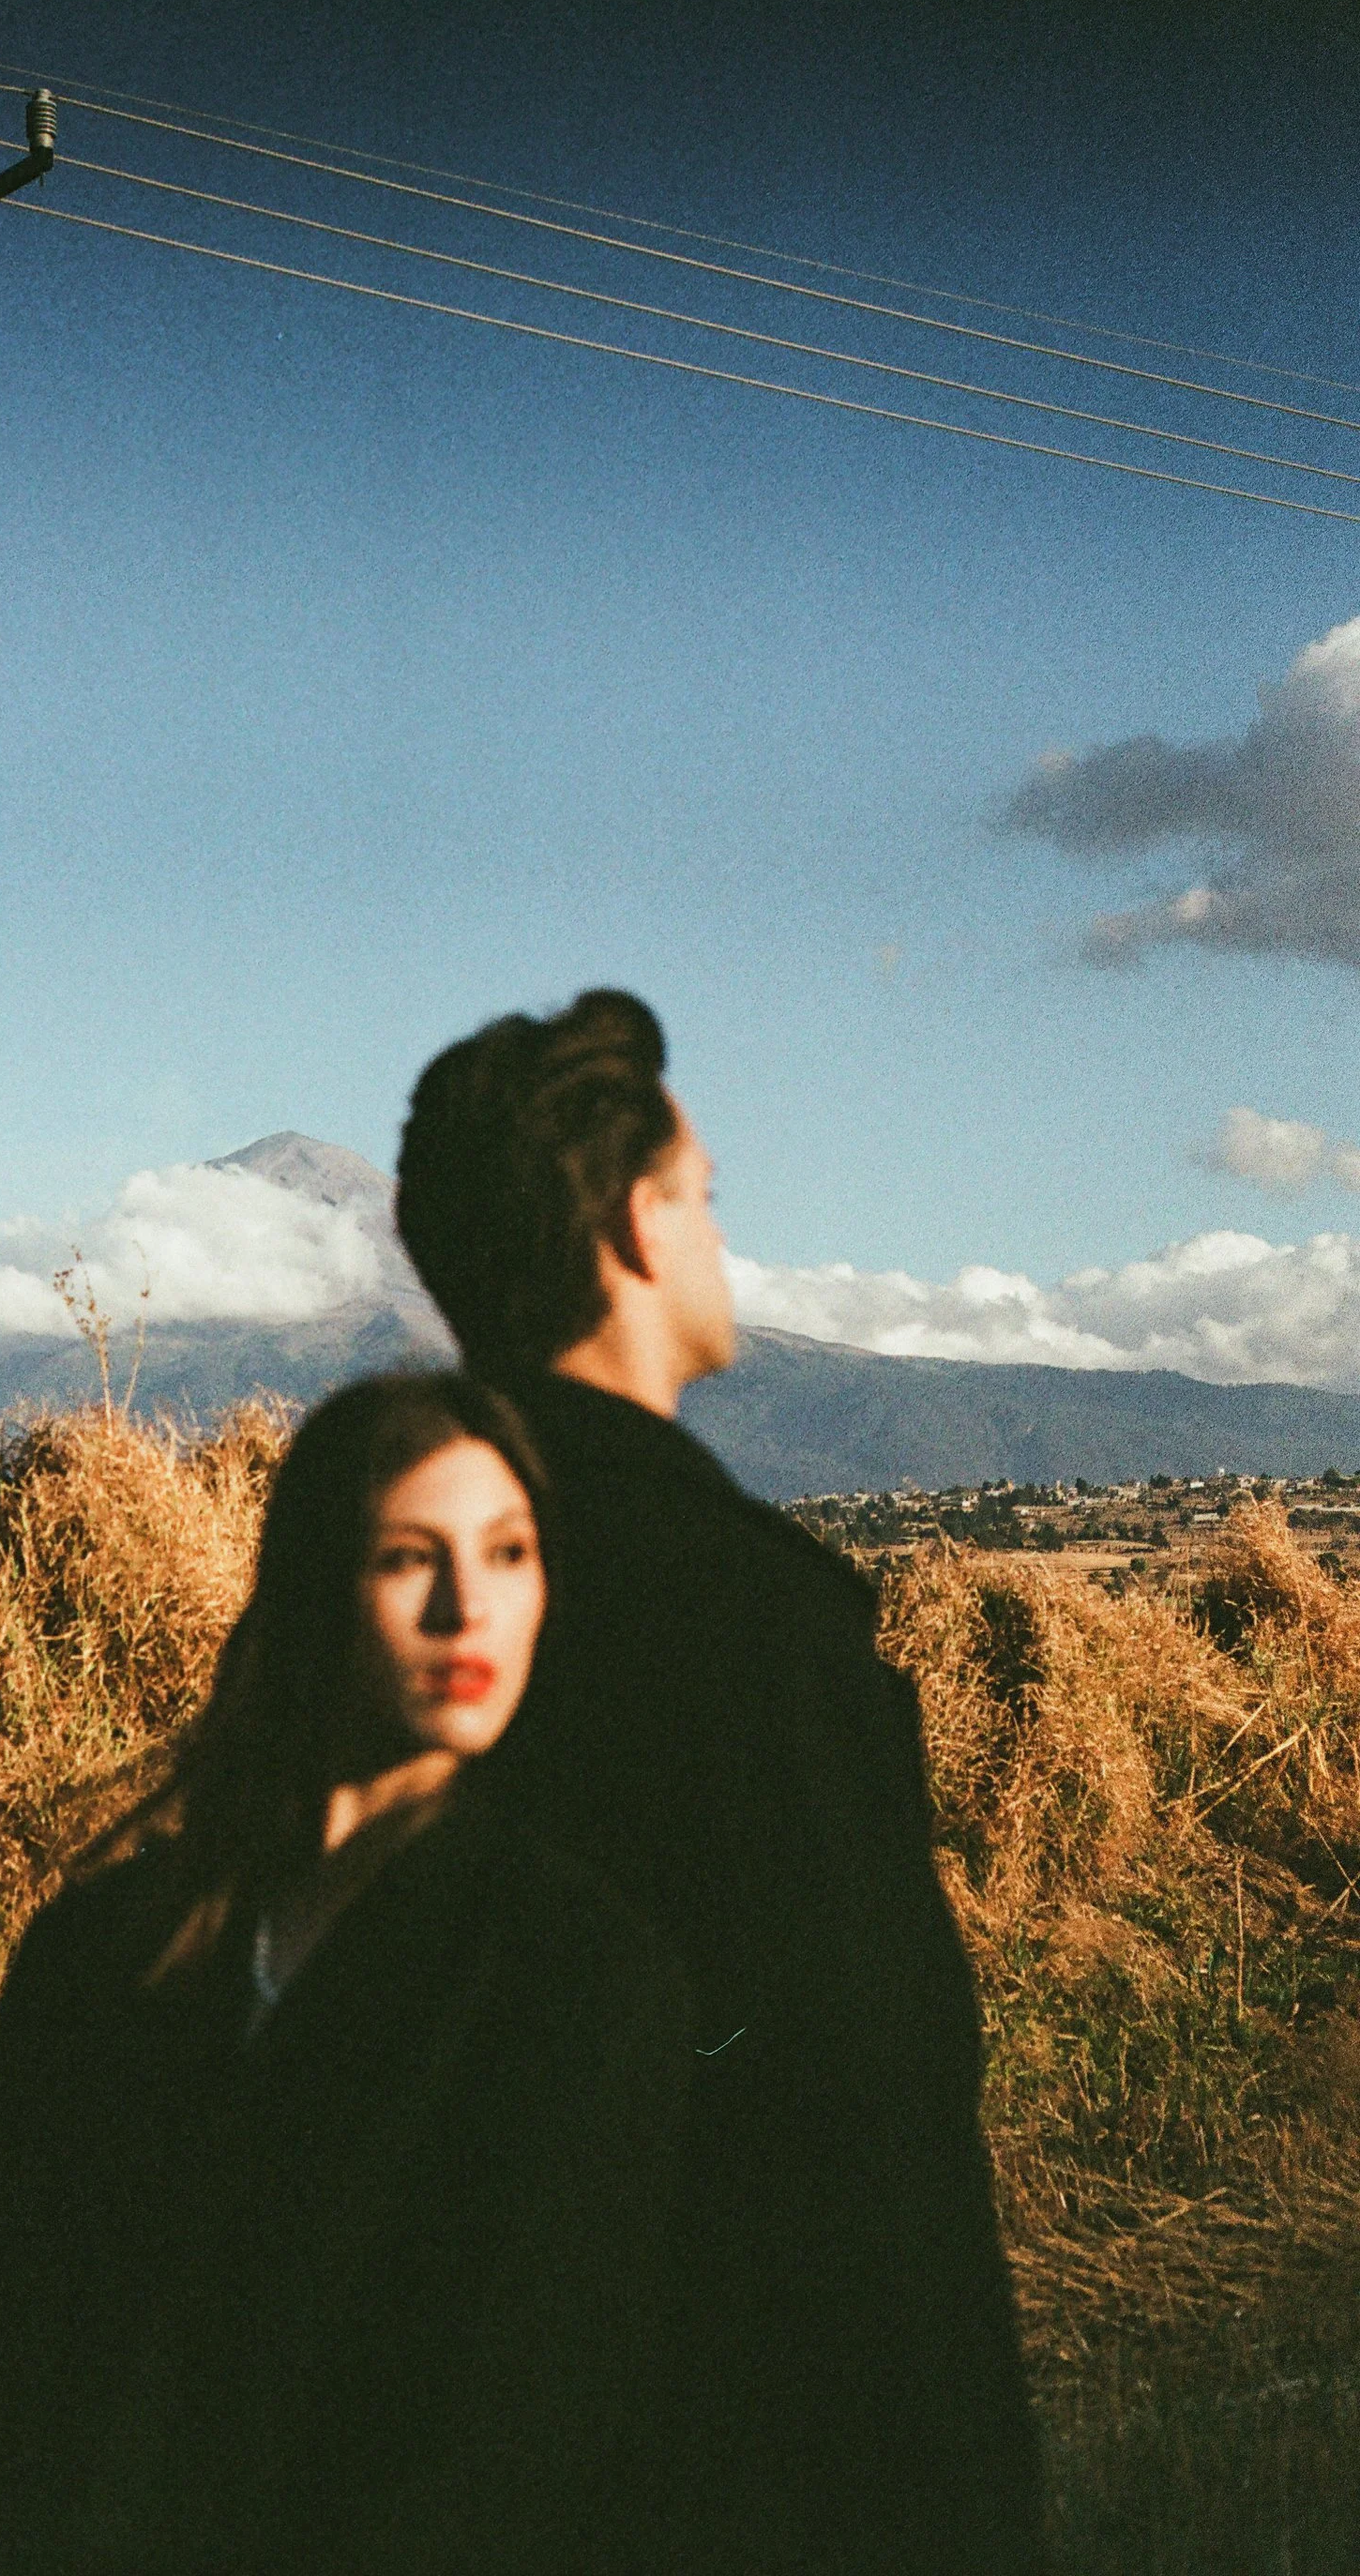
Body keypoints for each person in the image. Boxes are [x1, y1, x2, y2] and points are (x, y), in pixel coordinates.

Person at [0, 1371, 693, 2576]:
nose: (464, 1609)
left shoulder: (573, 1970)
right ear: (314, 1582)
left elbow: (528, 2445)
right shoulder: (107, 1948)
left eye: (507, 1554)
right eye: (406, 1557)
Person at [396, 991, 1048, 2576]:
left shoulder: (354, 1606)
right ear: (632, 1224)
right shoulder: (743, 1617)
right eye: (701, 1199)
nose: (713, 1238)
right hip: (734, 2455)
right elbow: (862, 2129)